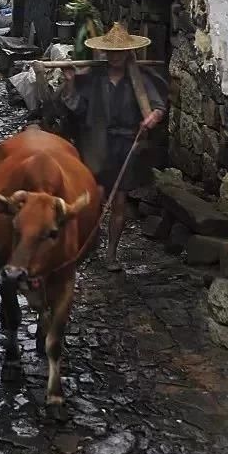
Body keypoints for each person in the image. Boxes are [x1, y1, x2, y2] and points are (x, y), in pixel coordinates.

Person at [60, 23, 166, 271]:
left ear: (129, 53)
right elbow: (77, 108)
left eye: (121, 52)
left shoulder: (140, 79)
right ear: (105, 54)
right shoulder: (93, 78)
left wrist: (152, 118)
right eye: (112, 53)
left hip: (127, 144)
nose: (116, 57)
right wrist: (70, 84)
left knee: (119, 201)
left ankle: (111, 254)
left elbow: (158, 106)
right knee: (94, 197)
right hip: (98, 144)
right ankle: (88, 244)